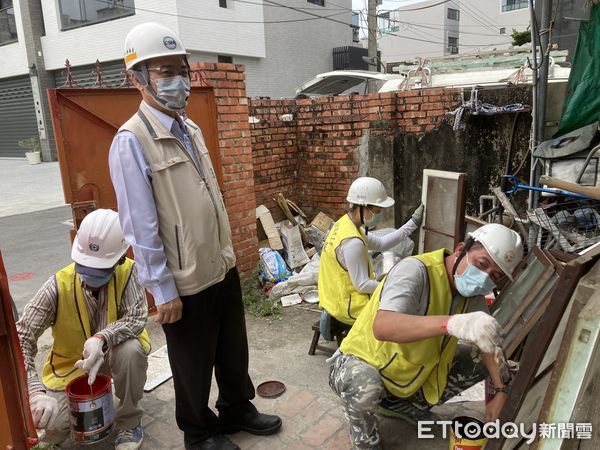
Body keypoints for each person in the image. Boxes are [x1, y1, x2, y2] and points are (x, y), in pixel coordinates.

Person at [108, 22, 281, 450]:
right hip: (183, 280)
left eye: (180, 68)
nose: (177, 79)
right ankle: (198, 432)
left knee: (231, 349)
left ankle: (237, 407)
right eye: (163, 70)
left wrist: (228, 256)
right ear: (138, 78)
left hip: (219, 264)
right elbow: (139, 225)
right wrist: (161, 290)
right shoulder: (131, 140)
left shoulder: (191, 128)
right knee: (192, 362)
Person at [328, 223, 524, 449]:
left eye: (495, 275)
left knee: (480, 358)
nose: (484, 277)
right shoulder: (415, 270)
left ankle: (399, 403)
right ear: (461, 249)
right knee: (365, 384)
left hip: (405, 370)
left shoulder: (473, 295)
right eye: (482, 264)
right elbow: (383, 326)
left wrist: (501, 391)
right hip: (359, 362)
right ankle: (364, 438)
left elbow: (490, 343)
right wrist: (451, 323)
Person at [16, 209, 149, 449]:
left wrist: (102, 338)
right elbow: (20, 338)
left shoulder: (128, 272)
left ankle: (129, 421)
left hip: (112, 356)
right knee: (52, 427)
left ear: (118, 259)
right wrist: (35, 392)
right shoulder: (57, 285)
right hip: (72, 368)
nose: (89, 274)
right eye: (84, 266)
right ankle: (97, 399)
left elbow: (137, 317)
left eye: (99, 269)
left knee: (131, 351)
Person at [318, 176, 424, 331]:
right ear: (363, 207)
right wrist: (391, 285)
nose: (379, 215)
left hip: (332, 298)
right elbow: (362, 284)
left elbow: (381, 244)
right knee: (402, 309)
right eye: (377, 210)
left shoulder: (345, 223)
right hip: (349, 307)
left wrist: (412, 223)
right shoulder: (352, 242)